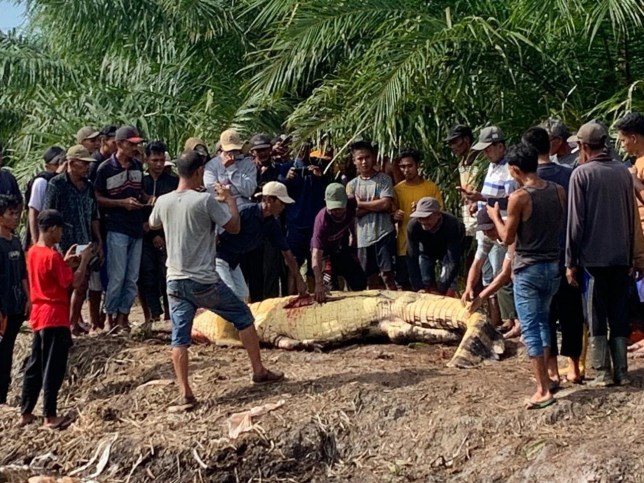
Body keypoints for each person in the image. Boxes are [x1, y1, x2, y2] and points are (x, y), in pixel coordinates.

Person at [149, 150, 283, 409]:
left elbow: (153, 223)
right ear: (199, 172)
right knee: (243, 317)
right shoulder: (204, 201)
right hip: (203, 279)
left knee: (179, 338)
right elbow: (233, 227)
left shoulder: (163, 201)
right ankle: (258, 370)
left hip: (175, 280)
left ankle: (185, 393)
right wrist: (230, 199)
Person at [487, 143, 566, 409]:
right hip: (552, 266)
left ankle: (543, 388)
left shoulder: (519, 197)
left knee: (531, 328)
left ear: (515, 169)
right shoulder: (558, 191)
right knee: (543, 322)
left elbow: (506, 237)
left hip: (528, 270)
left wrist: (495, 217)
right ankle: (551, 377)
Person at [566, 122, 637, 386]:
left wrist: (570, 261)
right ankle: (622, 370)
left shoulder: (581, 175)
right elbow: (631, 217)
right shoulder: (623, 172)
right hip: (620, 256)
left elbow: (575, 223)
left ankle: (602, 371)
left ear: (584, 147)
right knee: (619, 313)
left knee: (595, 315)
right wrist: (631, 255)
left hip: (592, 259)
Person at [522, 126, 584, 384]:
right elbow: (579, 216)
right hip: (569, 252)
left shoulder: (528, 183)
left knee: (546, 315)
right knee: (572, 312)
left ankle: (552, 371)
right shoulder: (570, 175)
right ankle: (575, 367)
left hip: (540, 257)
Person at [20, 210, 92, 429]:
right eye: (60, 229)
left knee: (36, 364)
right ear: (51, 229)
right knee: (54, 366)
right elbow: (75, 282)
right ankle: (49, 415)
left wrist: (66, 262)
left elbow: (55, 273)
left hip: (39, 315)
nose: (61, 233)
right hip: (55, 315)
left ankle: (26, 411)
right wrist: (84, 262)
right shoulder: (51, 256)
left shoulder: (33, 252)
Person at [94, 126, 150, 332]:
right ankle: (110, 315)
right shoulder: (105, 168)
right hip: (117, 226)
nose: (135, 147)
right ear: (119, 144)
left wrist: (150, 200)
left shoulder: (136, 165)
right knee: (117, 275)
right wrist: (121, 203)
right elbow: (98, 198)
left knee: (132, 276)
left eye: (137, 143)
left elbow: (140, 191)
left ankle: (123, 317)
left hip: (135, 226)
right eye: (131, 143)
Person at [44, 145, 102, 334]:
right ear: (71, 163)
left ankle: (73, 322)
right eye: (83, 164)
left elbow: (94, 215)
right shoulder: (57, 184)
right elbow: (48, 214)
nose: (86, 167)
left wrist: (98, 239)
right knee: (65, 283)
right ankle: (63, 322)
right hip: (64, 242)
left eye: (87, 164)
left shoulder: (88, 186)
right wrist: (49, 244)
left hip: (84, 239)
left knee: (82, 283)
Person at [216, 181, 308, 300]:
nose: (284, 207)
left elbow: (287, 253)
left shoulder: (272, 225)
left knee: (242, 295)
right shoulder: (245, 212)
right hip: (218, 258)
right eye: (282, 203)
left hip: (233, 263)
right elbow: (217, 234)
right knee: (229, 294)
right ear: (269, 200)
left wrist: (299, 278)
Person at [346, 140, 397, 290]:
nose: (364, 162)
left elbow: (386, 204)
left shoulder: (384, 179)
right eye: (360, 158)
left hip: (384, 233)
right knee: (370, 279)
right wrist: (375, 204)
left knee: (388, 276)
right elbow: (352, 211)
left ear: (373, 157)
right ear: (354, 161)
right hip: (363, 237)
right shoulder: (352, 185)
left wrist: (361, 204)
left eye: (367, 157)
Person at [138, 141, 178, 326]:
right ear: (147, 160)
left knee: (167, 275)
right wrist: (149, 231)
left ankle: (171, 314)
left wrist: (159, 233)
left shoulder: (172, 182)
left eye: (162, 160)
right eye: (155, 160)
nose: (159, 164)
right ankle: (153, 314)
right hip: (144, 236)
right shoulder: (141, 182)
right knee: (147, 274)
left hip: (167, 237)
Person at [393, 148, 443, 290]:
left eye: (410, 166)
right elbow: (390, 214)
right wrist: (394, 215)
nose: (406, 170)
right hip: (404, 246)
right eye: (402, 167)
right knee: (405, 286)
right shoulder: (397, 190)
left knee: (427, 285)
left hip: (427, 245)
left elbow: (440, 213)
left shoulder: (431, 187)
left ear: (418, 165)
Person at [241, 134, 284, 301]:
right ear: (252, 152)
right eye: (258, 151)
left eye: (265, 150)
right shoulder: (247, 171)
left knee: (271, 267)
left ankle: (269, 303)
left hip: (271, 223)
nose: (262, 154)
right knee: (251, 269)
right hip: (251, 224)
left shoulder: (278, 169)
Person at [278, 147, 327, 293]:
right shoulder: (286, 167)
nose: (302, 150)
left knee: (315, 266)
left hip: (314, 225)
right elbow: (277, 190)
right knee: (293, 266)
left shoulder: (319, 164)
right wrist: (286, 179)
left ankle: (315, 300)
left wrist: (320, 177)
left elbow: (327, 191)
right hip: (294, 225)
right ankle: (291, 300)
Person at [312, 183, 367, 303]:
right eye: (333, 208)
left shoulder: (352, 203)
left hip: (341, 248)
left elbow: (352, 216)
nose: (337, 211)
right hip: (325, 255)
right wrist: (318, 282)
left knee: (360, 281)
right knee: (330, 287)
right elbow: (316, 254)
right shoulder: (322, 221)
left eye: (340, 207)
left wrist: (354, 234)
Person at [0, 195, 29, 405]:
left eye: (17, 213)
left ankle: (3, 392)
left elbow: (22, 273)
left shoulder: (16, 240)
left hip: (16, 304)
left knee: (8, 350)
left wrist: (29, 298)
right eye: (11, 214)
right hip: (2, 306)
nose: (16, 217)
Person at [406, 197, 464, 294]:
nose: (423, 222)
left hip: (448, 252)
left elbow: (453, 261)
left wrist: (441, 289)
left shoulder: (452, 224)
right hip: (426, 251)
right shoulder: (413, 226)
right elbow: (412, 257)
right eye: (420, 218)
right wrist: (418, 287)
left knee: (447, 283)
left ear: (438, 214)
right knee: (426, 280)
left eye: (427, 217)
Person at [23, 146, 66, 249]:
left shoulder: (67, 181)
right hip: (45, 234)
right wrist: (36, 240)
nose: (61, 166)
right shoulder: (42, 182)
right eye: (56, 164)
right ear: (47, 166)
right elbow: (33, 212)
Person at [203, 129, 257, 209]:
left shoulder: (248, 164)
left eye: (235, 150)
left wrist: (231, 169)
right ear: (221, 148)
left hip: (244, 207)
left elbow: (248, 191)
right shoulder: (211, 165)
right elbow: (212, 191)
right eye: (229, 150)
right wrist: (234, 189)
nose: (232, 153)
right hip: (221, 209)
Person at [446, 125, 479, 238]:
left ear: (466, 139)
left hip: (480, 206)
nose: (452, 146)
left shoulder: (480, 160)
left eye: (455, 141)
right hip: (467, 208)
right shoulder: (461, 162)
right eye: (450, 143)